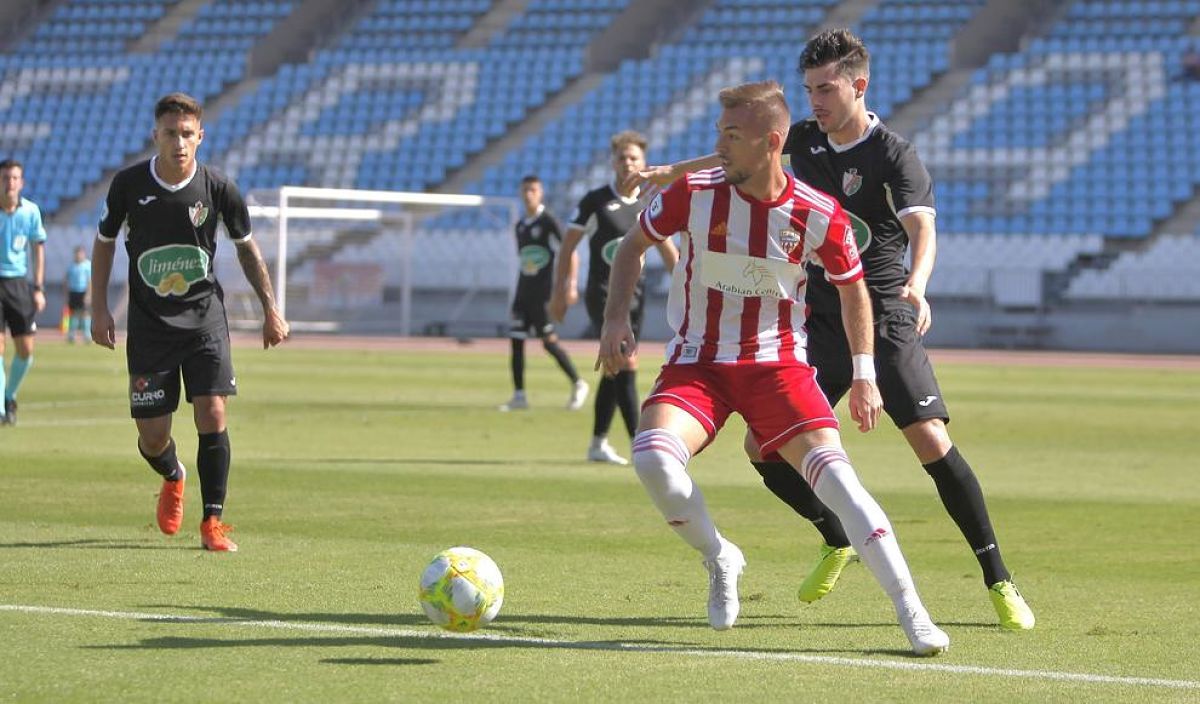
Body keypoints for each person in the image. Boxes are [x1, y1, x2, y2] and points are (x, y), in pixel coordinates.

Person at [628, 29, 1034, 630]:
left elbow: (923, 229)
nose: (814, 100)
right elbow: (738, 154)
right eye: (809, 89)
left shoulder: (893, 154)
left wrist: (917, 286)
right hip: (818, 313)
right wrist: (669, 172)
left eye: (826, 88)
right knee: (759, 450)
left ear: (858, 85)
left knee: (928, 439)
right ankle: (835, 535)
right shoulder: (804, 140)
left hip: (883, 310)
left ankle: (999, 580)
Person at [599, 80, 949, 656]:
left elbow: (853, 289)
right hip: (700, 363)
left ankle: (912, 613)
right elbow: (634, 245)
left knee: (841, 484)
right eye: (719, 133)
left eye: (731, 136)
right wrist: (615, 321)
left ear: (772, 143)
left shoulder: (817, 214)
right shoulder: (694, 192)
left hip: (777, 367)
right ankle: (721, 556)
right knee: (654, 462)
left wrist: (864, 371)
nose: (719, 146)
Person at [91, 92, 289, 552]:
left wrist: (270, 309)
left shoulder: (219, 188)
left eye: (186, 134)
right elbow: (103, 242)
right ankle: (173, 474)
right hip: (149, 326)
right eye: (169, 133)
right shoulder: (127, 185)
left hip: (204, 320)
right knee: (153, 435)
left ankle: (212, 522)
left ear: (200, 136)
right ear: (155, 136)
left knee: (213, 411)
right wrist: (98, 308)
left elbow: (246, 247)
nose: (178, 142)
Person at [549, 131, 677, 465]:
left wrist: (685, 282)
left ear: (644, 163)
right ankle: (641, 446)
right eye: (622, 158)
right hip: (603, 294)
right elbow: (567, 247)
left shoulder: (649, 204)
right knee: (626, 362)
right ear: (613, 162)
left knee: (613, 367)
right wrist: (562, 288)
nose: (627, 163)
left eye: (634, 158)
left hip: (637, 294)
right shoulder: (594, 200)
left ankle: (598, 444)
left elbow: (667, 249)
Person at [499, 175, 589, 412]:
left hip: (543, 294)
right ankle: (519, 396)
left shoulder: (549, 222)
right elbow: (525, 262)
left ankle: (578, 383)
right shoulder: (519, 226)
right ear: (521, 192)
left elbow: (571, 253)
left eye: (533, 189)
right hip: (523, 293)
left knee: (548, 342)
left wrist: (570, 286)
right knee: (516, 340)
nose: (529, 193)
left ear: (540, 193)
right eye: (525, 189)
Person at [0, 159, 47, 426]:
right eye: (5, 177)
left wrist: (38, 288)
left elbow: (38, 248)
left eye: (14, 178)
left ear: (21, 183)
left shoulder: (30, 212)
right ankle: (0, 411)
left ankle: (9, 396)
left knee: (26, 349)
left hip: (18, 284)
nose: (10, 183)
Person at [64, 245, 92, 344]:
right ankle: (71, 335)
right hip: (73, 292)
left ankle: (87, 335)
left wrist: (88, 294)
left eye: (80, 253)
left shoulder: (87, 265)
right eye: (77, 254)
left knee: (85, 313)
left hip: (83, 291)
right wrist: (66, 294)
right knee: (73, 313)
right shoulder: (71, 266)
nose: (78, 256)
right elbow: (66, 280)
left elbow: (90, 281)